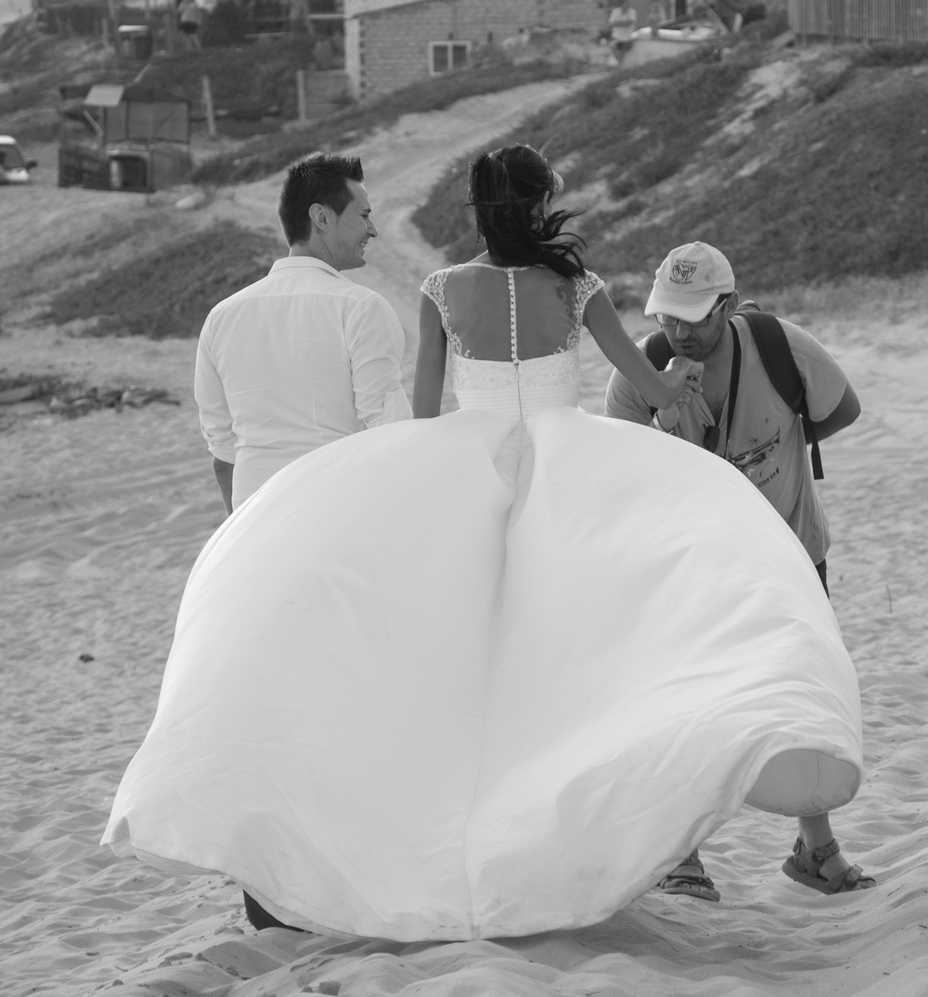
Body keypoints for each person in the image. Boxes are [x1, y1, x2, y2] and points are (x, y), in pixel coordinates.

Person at [103, 145, 866, 941]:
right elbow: (651, 391)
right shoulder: (577, 287)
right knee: (572, 661)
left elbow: (424, 415)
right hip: (565, 473)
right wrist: (680, 386)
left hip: (468, 467)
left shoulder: (441, 290)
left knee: (470, 672)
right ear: (536, 211)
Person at [606, 242, 871, 898]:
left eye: (694, 316)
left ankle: (817, 849)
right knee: (688, 702)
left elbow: (842, 408)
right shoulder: (641, 371)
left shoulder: (781, 346)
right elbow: (618, 472)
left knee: (800, 693)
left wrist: (781, 442)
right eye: (669, 315)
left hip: (791, 554)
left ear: (726, 305)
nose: (678, 330)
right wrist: (665, 422)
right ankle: (683, 858)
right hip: (693, 569)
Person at [194, 153, 410, 513]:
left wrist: (237, 531)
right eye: (365, 215)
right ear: (322, 217)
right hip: (335, 512)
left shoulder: (221, 317)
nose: (372, 230)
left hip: (253, 521)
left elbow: (222, 449)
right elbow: (390, 433)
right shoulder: (361, 307)